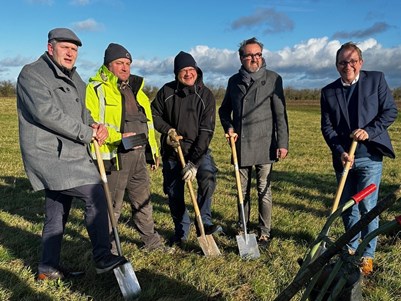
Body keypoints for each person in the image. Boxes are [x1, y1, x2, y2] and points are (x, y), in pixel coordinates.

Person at [16, 28, 127, 281]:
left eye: (74, 49)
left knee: (56, 213)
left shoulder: (75, 79)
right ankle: (102, 256)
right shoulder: (32, 74)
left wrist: (95, 125)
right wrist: (86, 134)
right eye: (65, 47)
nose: (70, 53)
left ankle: (47, 269)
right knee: (95, 192)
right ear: (50, 47)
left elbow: (83, 113)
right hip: (50, 155)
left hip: (70, 153)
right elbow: (46, 115)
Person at [320, 42, 398, 276]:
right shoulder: (328, 91)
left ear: (360, 63)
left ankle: (368, 255)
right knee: (347, 208)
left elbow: (390, 111)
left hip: (370, 156)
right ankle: (351, 248)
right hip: (344, 159)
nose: (348, 65)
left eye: (353, 61)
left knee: (367, 207)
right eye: (343, 62)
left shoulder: (376, 80)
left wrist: (369, 131)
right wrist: (340, 151)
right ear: (336, 65)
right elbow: (327, 127)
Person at [86, 43, 165, 252]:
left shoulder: (137, 89)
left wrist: (154, 152)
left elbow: (147, 123)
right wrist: (118, 137)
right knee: (112, 207)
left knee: (143, 201)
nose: (125, 68)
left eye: (128, 63)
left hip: (138, 156)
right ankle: (109, 249)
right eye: (119, 63)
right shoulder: (95, 89)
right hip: (114, 156)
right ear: (108, 65)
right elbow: (90, 123)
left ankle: (152, 242)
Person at [219, 37, 289, 246]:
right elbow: (224, 111)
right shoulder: (233, 81)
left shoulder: (274, 79)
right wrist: (229, 127)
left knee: (264, 190)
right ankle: (243, 228)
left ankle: (264, 232)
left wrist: (282, 143)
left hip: (266, 144)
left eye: (257, 54)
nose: (254, 59)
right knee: (242, 191)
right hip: (240, 146)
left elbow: (280, 115)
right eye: (249, 55)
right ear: (241, 58)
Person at [151, 51, 222, 247]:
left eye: (191, 69)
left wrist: (194, 163)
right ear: (176, 73)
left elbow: (206, 131)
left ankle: (204, 223)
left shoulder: (205, 95)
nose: (188, 73)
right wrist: (168, 131)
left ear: (197, 71)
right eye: (183, 70)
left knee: (207, 179)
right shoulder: (165, 92)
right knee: (174, 193)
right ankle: (181, 232)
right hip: (173, 152)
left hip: (198, 151)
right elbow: (153, 114)